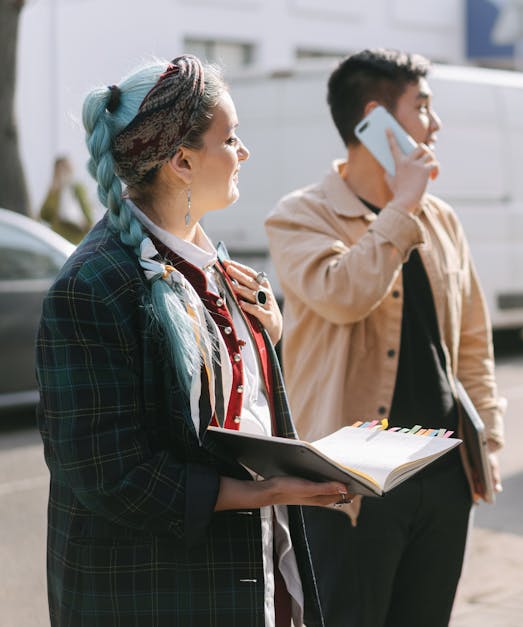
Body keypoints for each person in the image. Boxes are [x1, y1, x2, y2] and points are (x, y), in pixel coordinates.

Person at [36, 55, 348, 626]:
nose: (244, 153)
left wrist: (268, 337)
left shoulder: (211, 262)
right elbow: (107, 473)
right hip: (151, 591)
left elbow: (229, 413)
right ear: (181, 161)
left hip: (246, 570)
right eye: (230, 139)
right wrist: (261, 492)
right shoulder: (93, 287)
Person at [264, 48, 505, 627]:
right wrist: (401, 205)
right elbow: (344, 294)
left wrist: (488, 440)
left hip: (443, 470)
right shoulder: (301, 216)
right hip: (351, 483)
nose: (435, 123)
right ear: (377, 119)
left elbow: (471, 338)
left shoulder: (441, 219)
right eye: (423, 107)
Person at [38, 155, 95, 244]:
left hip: (75, 240)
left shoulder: (77, 188)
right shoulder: (54, 190)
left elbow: (88, 217)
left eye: (64, 169)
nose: (62, 173)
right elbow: (44, 215)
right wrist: (53, 192)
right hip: (57, 239)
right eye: (59, 171)